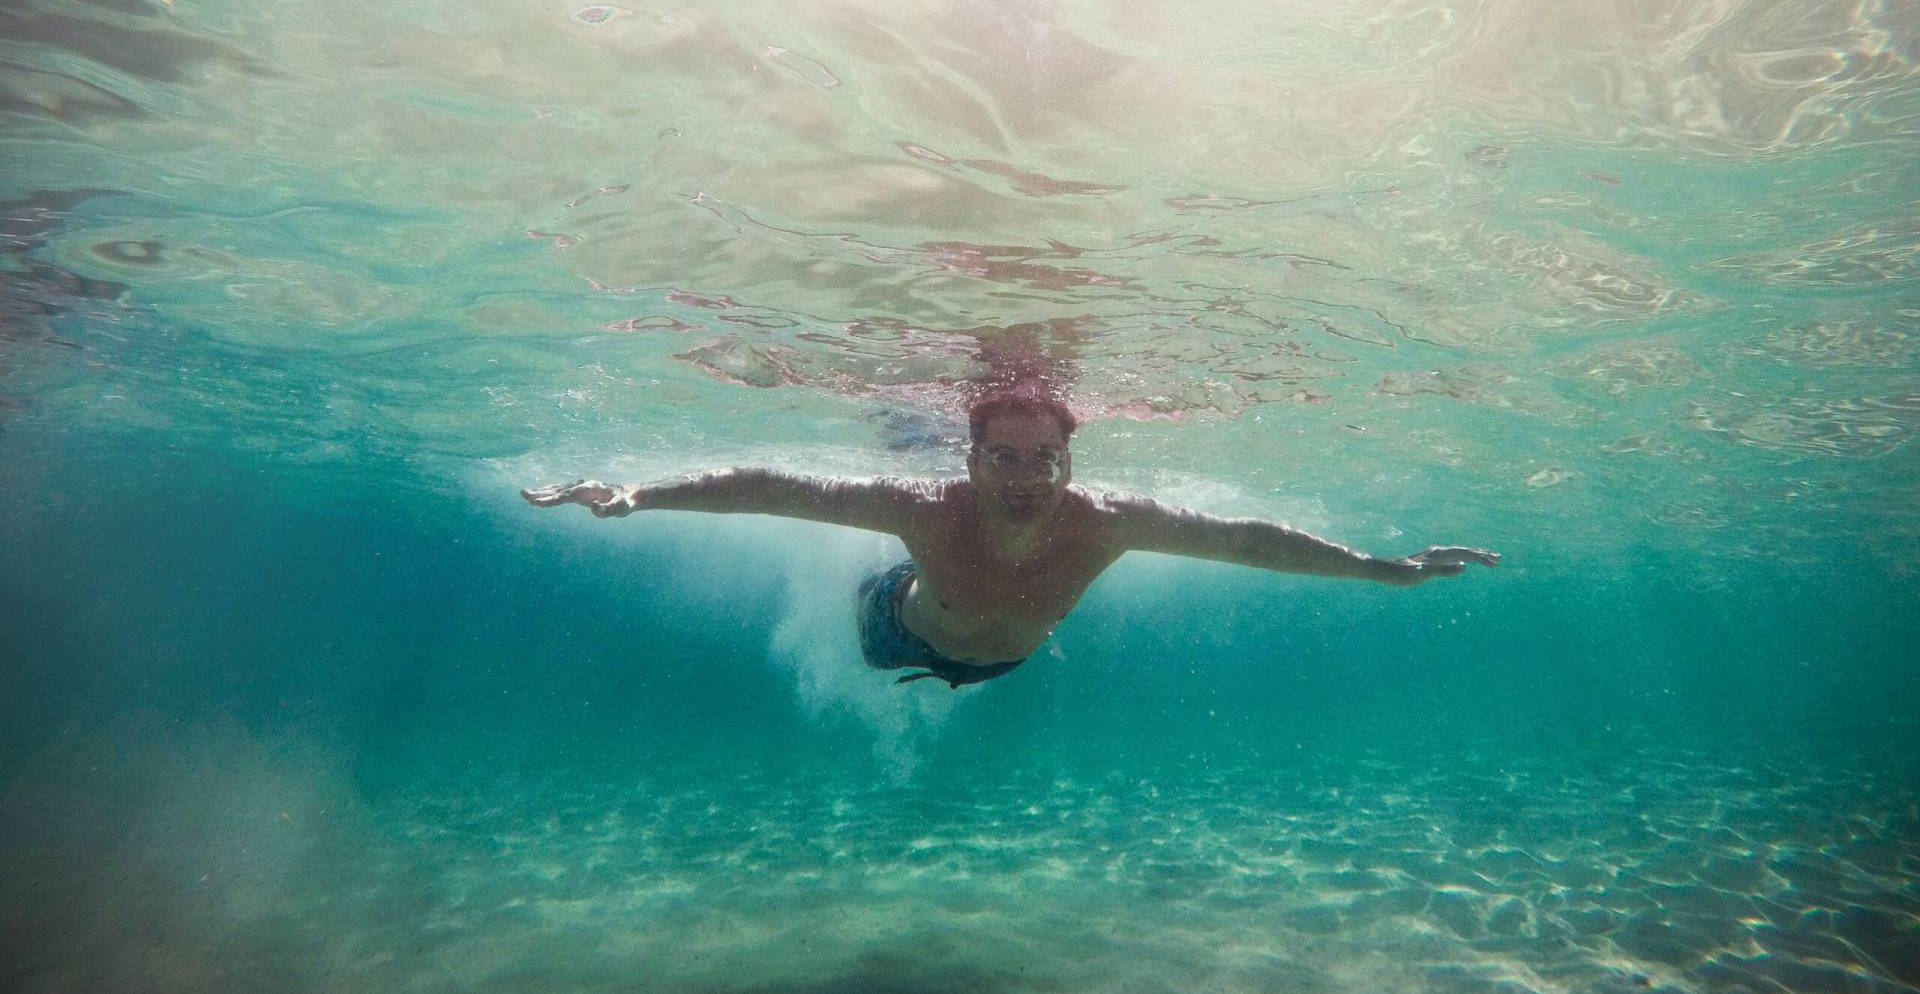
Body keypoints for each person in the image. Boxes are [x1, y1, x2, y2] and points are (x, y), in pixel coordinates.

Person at [522, 387, 1500, 689]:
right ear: (972, 457)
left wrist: (1380, 569)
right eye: (1004, 458)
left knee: (996, 645)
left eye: (1044, 459)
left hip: (1004, 664)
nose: (1026, 480)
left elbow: (1245, 538)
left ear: (1071, 461)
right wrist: (640, 495)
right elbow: (773, 485)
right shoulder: (923, 507)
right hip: (899, 633)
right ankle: (881, 597)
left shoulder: (1110, 520)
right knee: (884, 596)